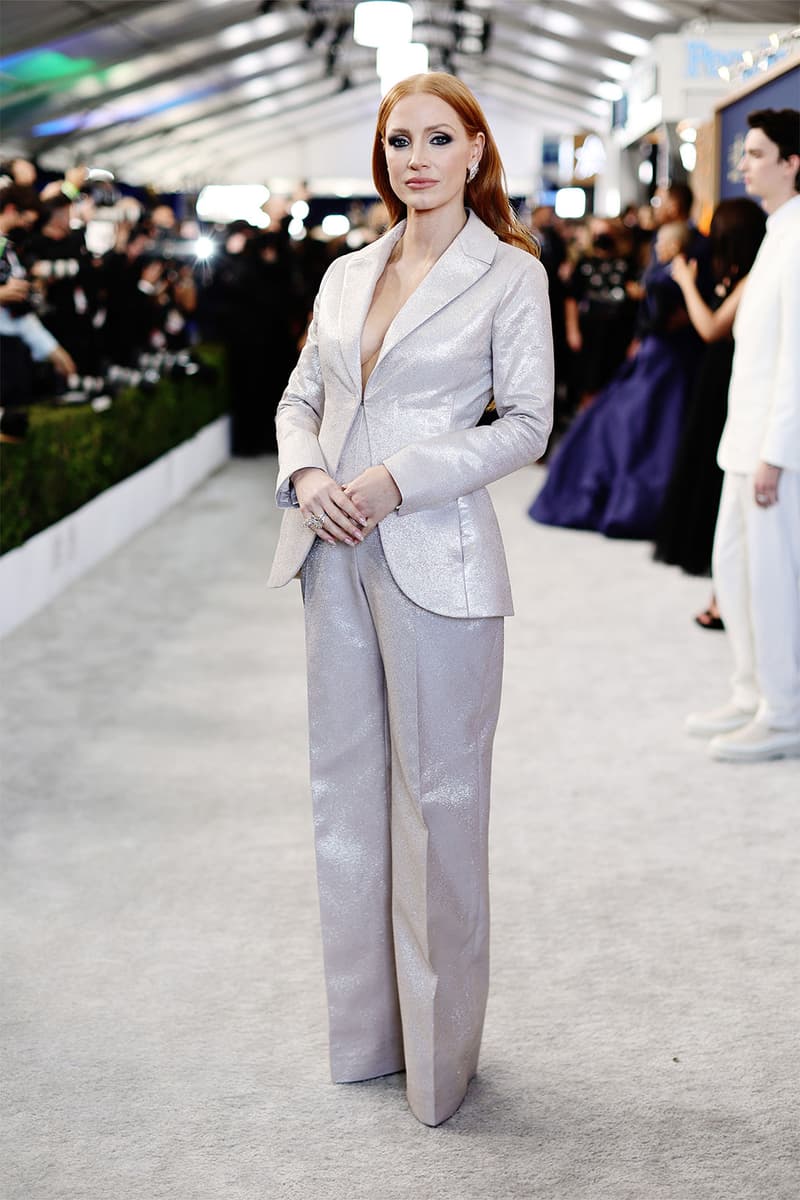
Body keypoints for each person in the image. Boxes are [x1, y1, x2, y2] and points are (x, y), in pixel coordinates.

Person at [268, 72, 553, 1126]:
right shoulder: (346, 272)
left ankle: (441, 1064)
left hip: (438, 555)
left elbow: (524, 423)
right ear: (380, 155)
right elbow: (303, 396)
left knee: (438, 810)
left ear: (475, 151)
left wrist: (401, 476)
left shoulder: (508, 274)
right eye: (399, 141)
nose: (417, 158)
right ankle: (369, 1041)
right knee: (343, 798)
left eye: (439, 138)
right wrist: (305, 474)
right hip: (330, 548)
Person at [686, 108, 800, 762]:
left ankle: (784, 710)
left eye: (756, 153)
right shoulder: (775, 235)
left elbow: (794, 360)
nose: (743, 163)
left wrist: (776, 454)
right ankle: (751, 687)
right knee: (733, 569)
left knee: (772, 579)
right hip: (744, 440)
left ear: (792, 163)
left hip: (771, 450)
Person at [529, 219, 701, 539]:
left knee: (638, 423)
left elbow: (663, 316)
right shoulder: (666, 271)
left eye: (664, 242)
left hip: (661, 356)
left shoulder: (671, 274)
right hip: (652, 352)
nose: (659, 247)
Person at [654, 199, 767, 606]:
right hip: (713, 379)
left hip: (728, 381)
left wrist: (685, 281)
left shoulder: (752, 278)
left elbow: (710, 328)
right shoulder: (737, 274)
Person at [0, 185, 76, 405]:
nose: (27, 226)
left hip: (13, 343)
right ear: (11, 209)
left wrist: (50, 347)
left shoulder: (10, 247)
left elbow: (16, 310)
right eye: (26, 219)